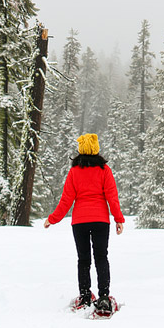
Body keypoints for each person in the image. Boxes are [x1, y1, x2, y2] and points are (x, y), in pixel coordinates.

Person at [44, 132, 125, 314]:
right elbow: (112, 198)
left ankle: (85, 295)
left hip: (79, 222)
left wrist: (52, 219)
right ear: (96, 149)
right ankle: (104, 296)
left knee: (84, 259)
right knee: (101, 257)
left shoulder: (74, 172)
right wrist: (118, 219)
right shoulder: (105, 170)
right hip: (101, 221)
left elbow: (66, 200)